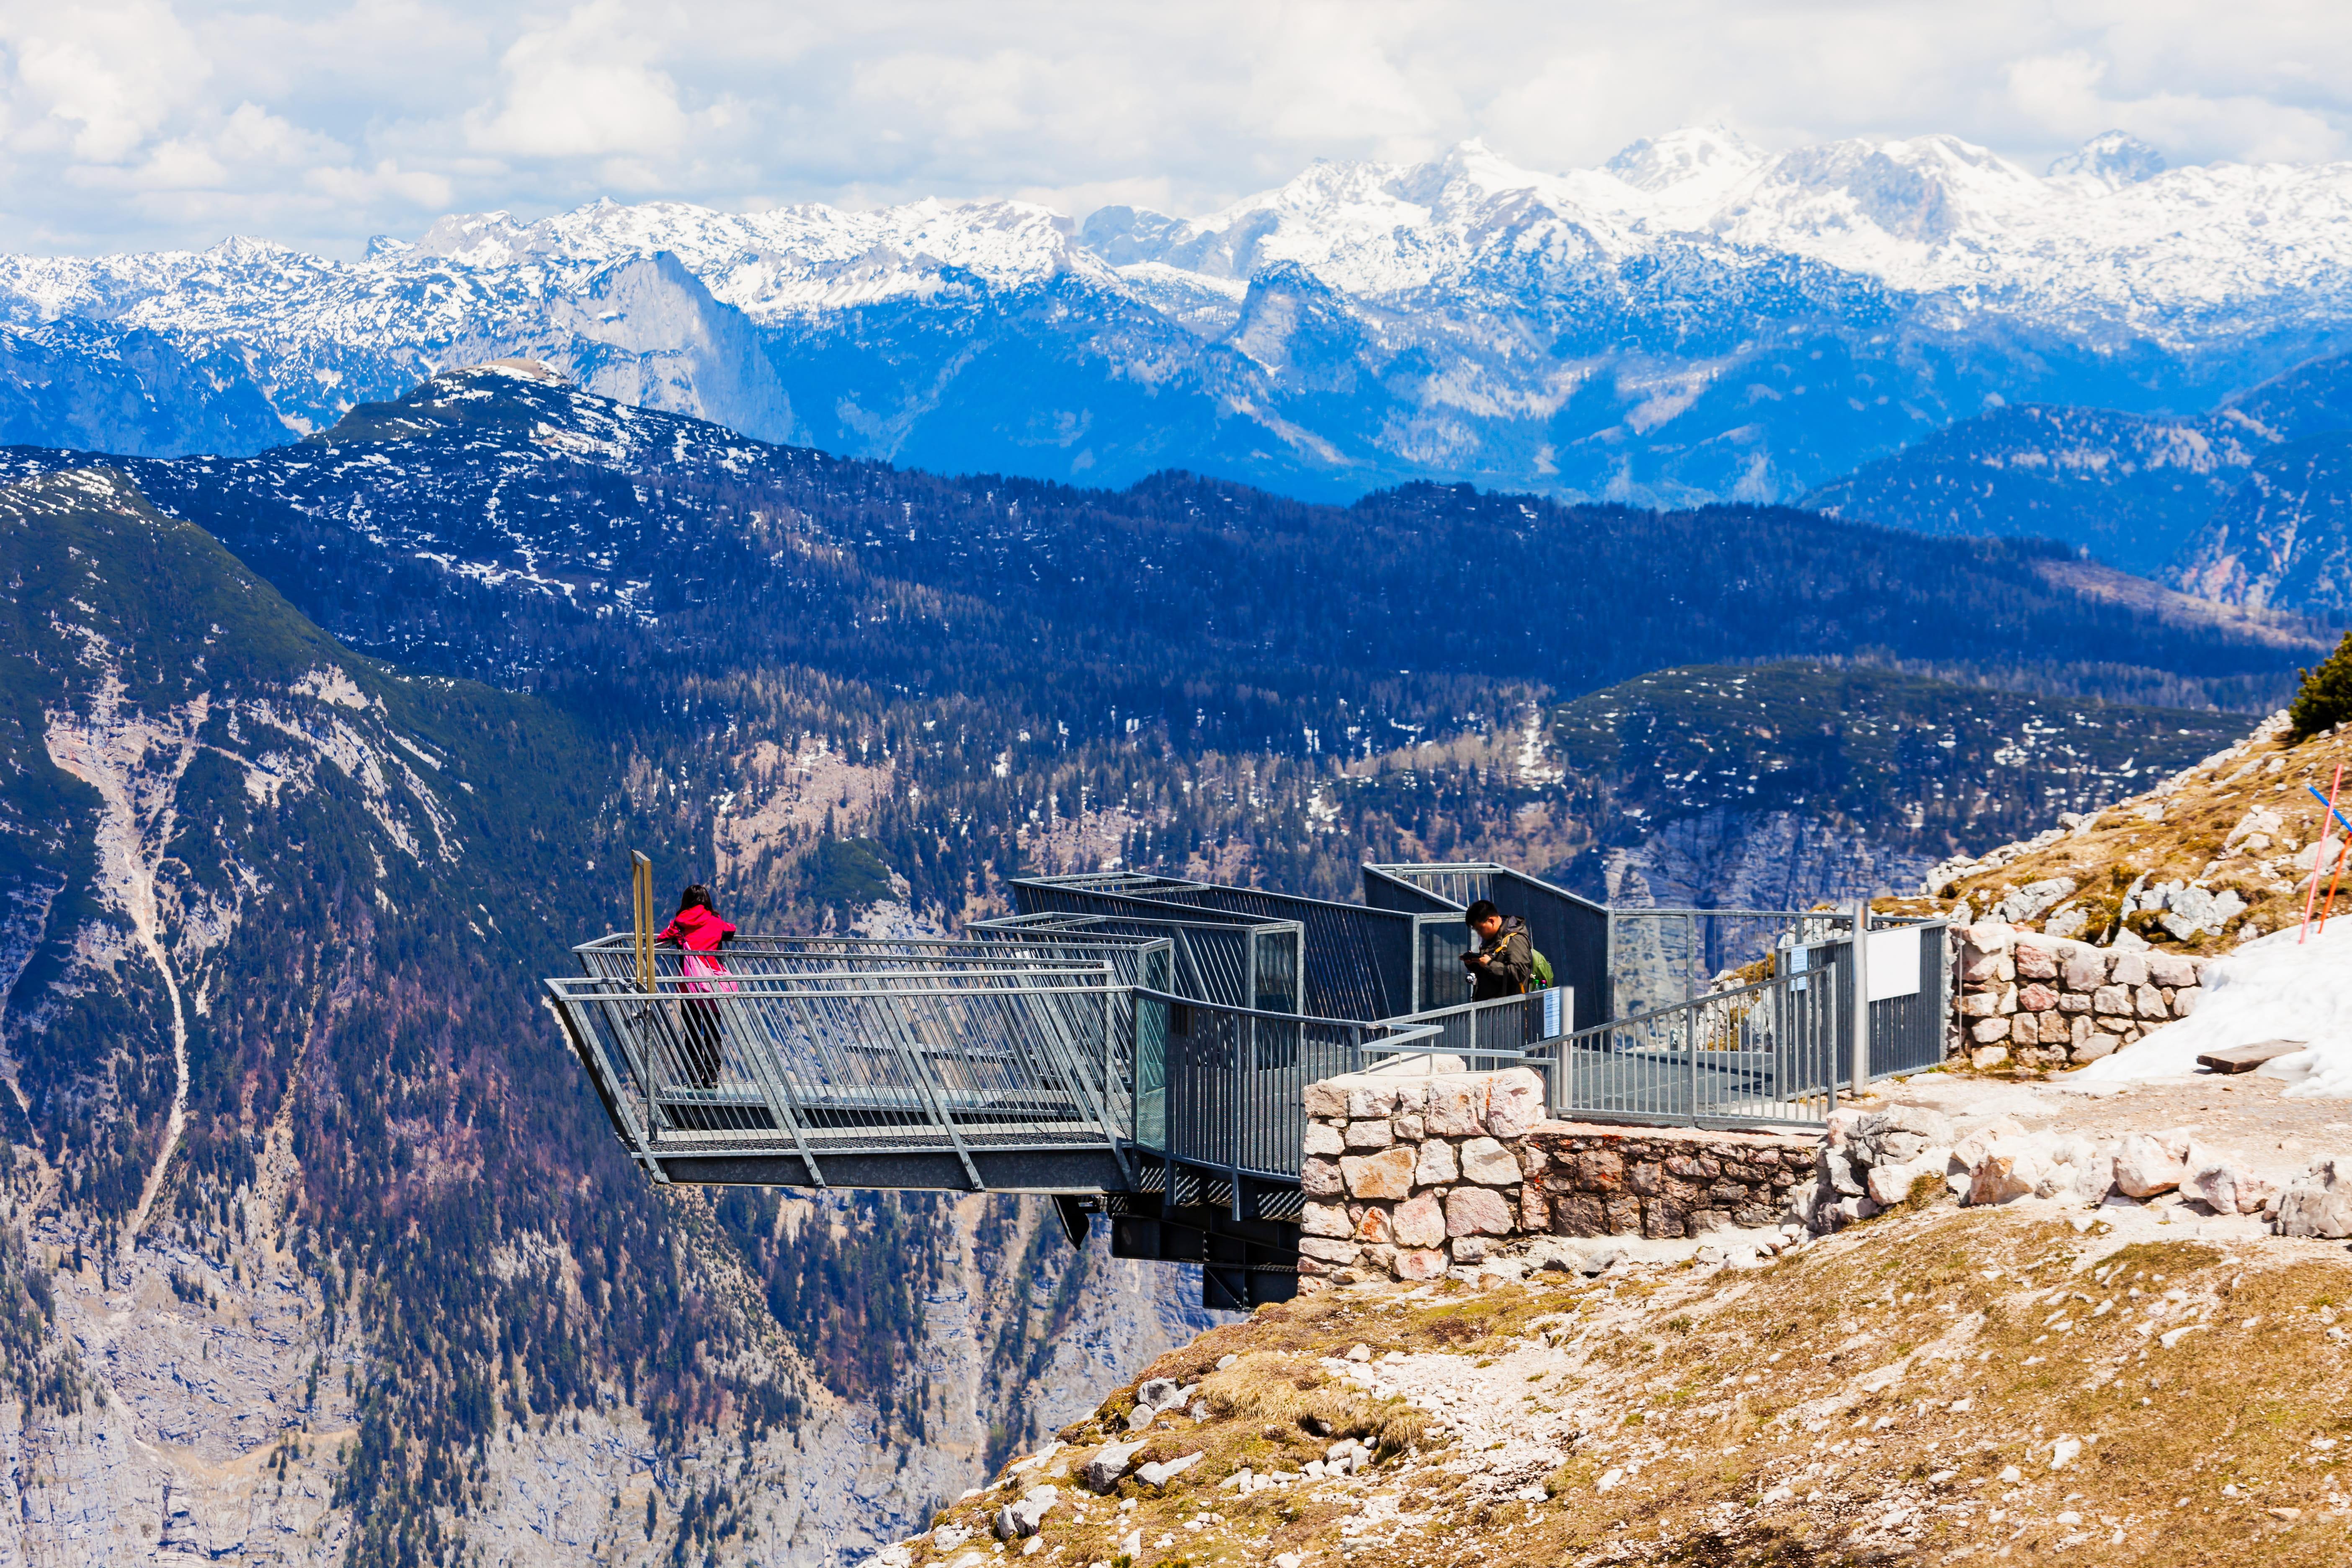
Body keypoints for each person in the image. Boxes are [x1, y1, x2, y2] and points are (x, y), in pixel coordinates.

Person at [657, 884, 737, 1089]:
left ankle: (694, 1075)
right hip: (711, 986)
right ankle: (712, 1077)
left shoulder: (680, 923)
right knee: (712, 1029)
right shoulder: (715, 921)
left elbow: (662, 939)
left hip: (689, 986)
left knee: (692, 1029)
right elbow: (731, 929)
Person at [1462, 899, 1532, 1002]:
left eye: (1480, 929)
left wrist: (1489, 964)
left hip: (1508, 1008)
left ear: (1491, 921)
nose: (1479, 933)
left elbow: (1519, 974)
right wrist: (1475, 962)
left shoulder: (1515, 940)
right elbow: (1493, 972)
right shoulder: (1492, 938)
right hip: (1489, 1007)